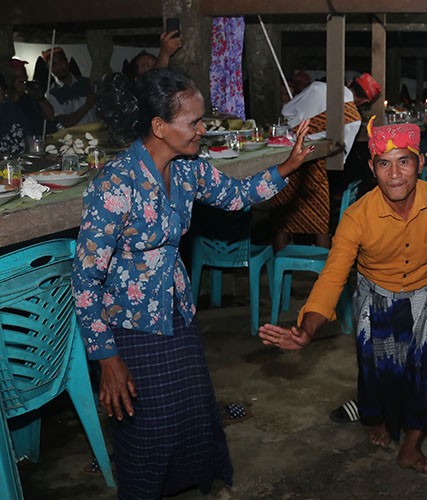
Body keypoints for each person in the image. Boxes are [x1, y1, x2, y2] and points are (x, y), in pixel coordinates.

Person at [71, 68, 314, 499]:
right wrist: (106, 358)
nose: (204, 129)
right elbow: (86, 279)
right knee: (151, 427)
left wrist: (289, 165)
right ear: (160, 127)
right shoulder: (115, 184)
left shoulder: (186, 171)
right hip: (131, 325)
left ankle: (182, 484)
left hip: (176, 309)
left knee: (191, 415)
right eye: (194, 122)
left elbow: (237, 196)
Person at [259, 118, 427, 475]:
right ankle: (379, 418)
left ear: (420, 163)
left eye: (404, 161)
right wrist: (307, 327)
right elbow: (333, 275)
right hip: (376, 298)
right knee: (381, 373)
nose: (395, 174)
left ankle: (410, 446)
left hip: (426, 294)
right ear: (373, 169)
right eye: (384, 164)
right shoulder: (358, 216)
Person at [269, 72, 382, 251]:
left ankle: (279, 266)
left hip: (287, 157)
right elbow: (340, 158)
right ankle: (323, 269)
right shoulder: (354, 118)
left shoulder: (318, 88)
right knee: (320, 222)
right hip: (316, 168)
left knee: (283, 218)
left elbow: (286, 112)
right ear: (364, 102)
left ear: (351, 82)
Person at [41, 47, 98, 128]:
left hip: (97, 137)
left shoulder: (86, 83)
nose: (59, 66)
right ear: (48, 68)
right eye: (54, 63)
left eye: (61, 61)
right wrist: (88, 105)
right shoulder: (51, 95)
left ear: (67, 61)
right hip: (74, 140)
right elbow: (66, 122)